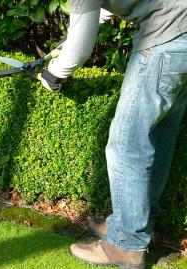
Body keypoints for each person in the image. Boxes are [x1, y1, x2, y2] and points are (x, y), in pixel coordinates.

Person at [38, 1, 187, 268]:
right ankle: (133, 223)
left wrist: (54, 73)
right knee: (159, 134)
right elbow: (104, 7)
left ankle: (127, 245)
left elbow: (82, 48)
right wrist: (69, 39)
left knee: (126, 146)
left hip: (167, 35)